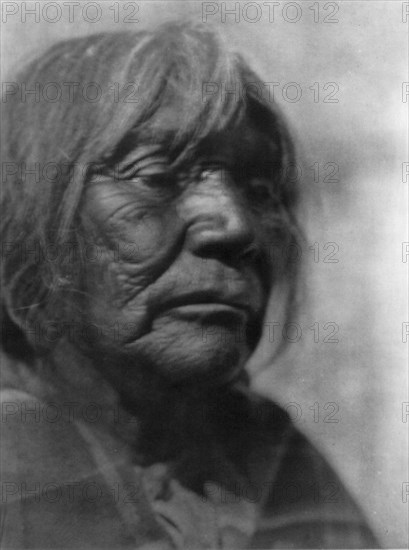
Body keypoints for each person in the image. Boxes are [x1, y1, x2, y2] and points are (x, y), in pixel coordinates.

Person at [0, 21, 378, 549]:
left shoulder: (276, 465)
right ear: (21, 227)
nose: (237, 225)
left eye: (260, 190)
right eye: (154, 176)